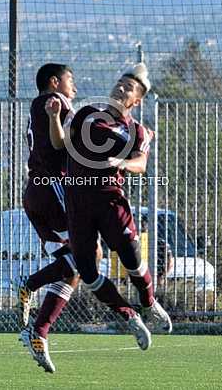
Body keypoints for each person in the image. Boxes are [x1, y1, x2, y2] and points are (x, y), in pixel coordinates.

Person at [46, 63, 172, 351]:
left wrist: (122, 163)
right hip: (77, 204)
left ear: (136, 100)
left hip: (110, 201)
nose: (120, 88)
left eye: (128, 87)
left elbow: (140, 164)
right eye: (119, 82)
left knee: (133, 262)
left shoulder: (138, 131)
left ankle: (149, 303)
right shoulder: (87, 114)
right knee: (88, 273)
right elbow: (59, 143)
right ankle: (130, 318)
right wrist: (54, 116)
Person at [18, 63, 80, 373]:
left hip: (35, 192)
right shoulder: (58, 102)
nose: (75, 88)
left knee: (72, 269)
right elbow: (66, 144)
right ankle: (30, 284)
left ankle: (39, 332)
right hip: (53, 189)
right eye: (72, 81)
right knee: (89, 255)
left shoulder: (35, 106)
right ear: (55, 82)